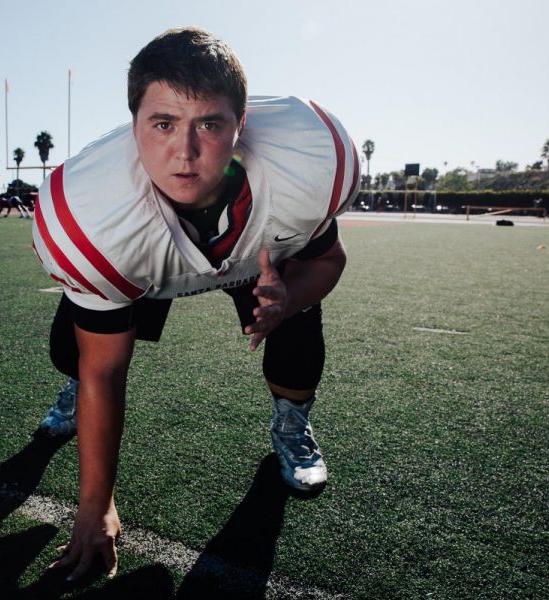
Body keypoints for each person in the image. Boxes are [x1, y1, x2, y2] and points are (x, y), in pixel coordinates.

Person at [32, 27, 358, 581]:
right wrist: (95, 506)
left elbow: (329, 262)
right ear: (132, 123)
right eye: (162, 124)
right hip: (144, 261)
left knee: (298, 323)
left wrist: (288, 300)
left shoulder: (306, 163)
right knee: (77, 354)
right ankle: (71, 392)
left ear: (242, 123)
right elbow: (107, 369)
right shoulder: (96, 216)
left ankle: (290, 422)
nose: (184, 152)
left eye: (209, 124)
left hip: (255, 252)